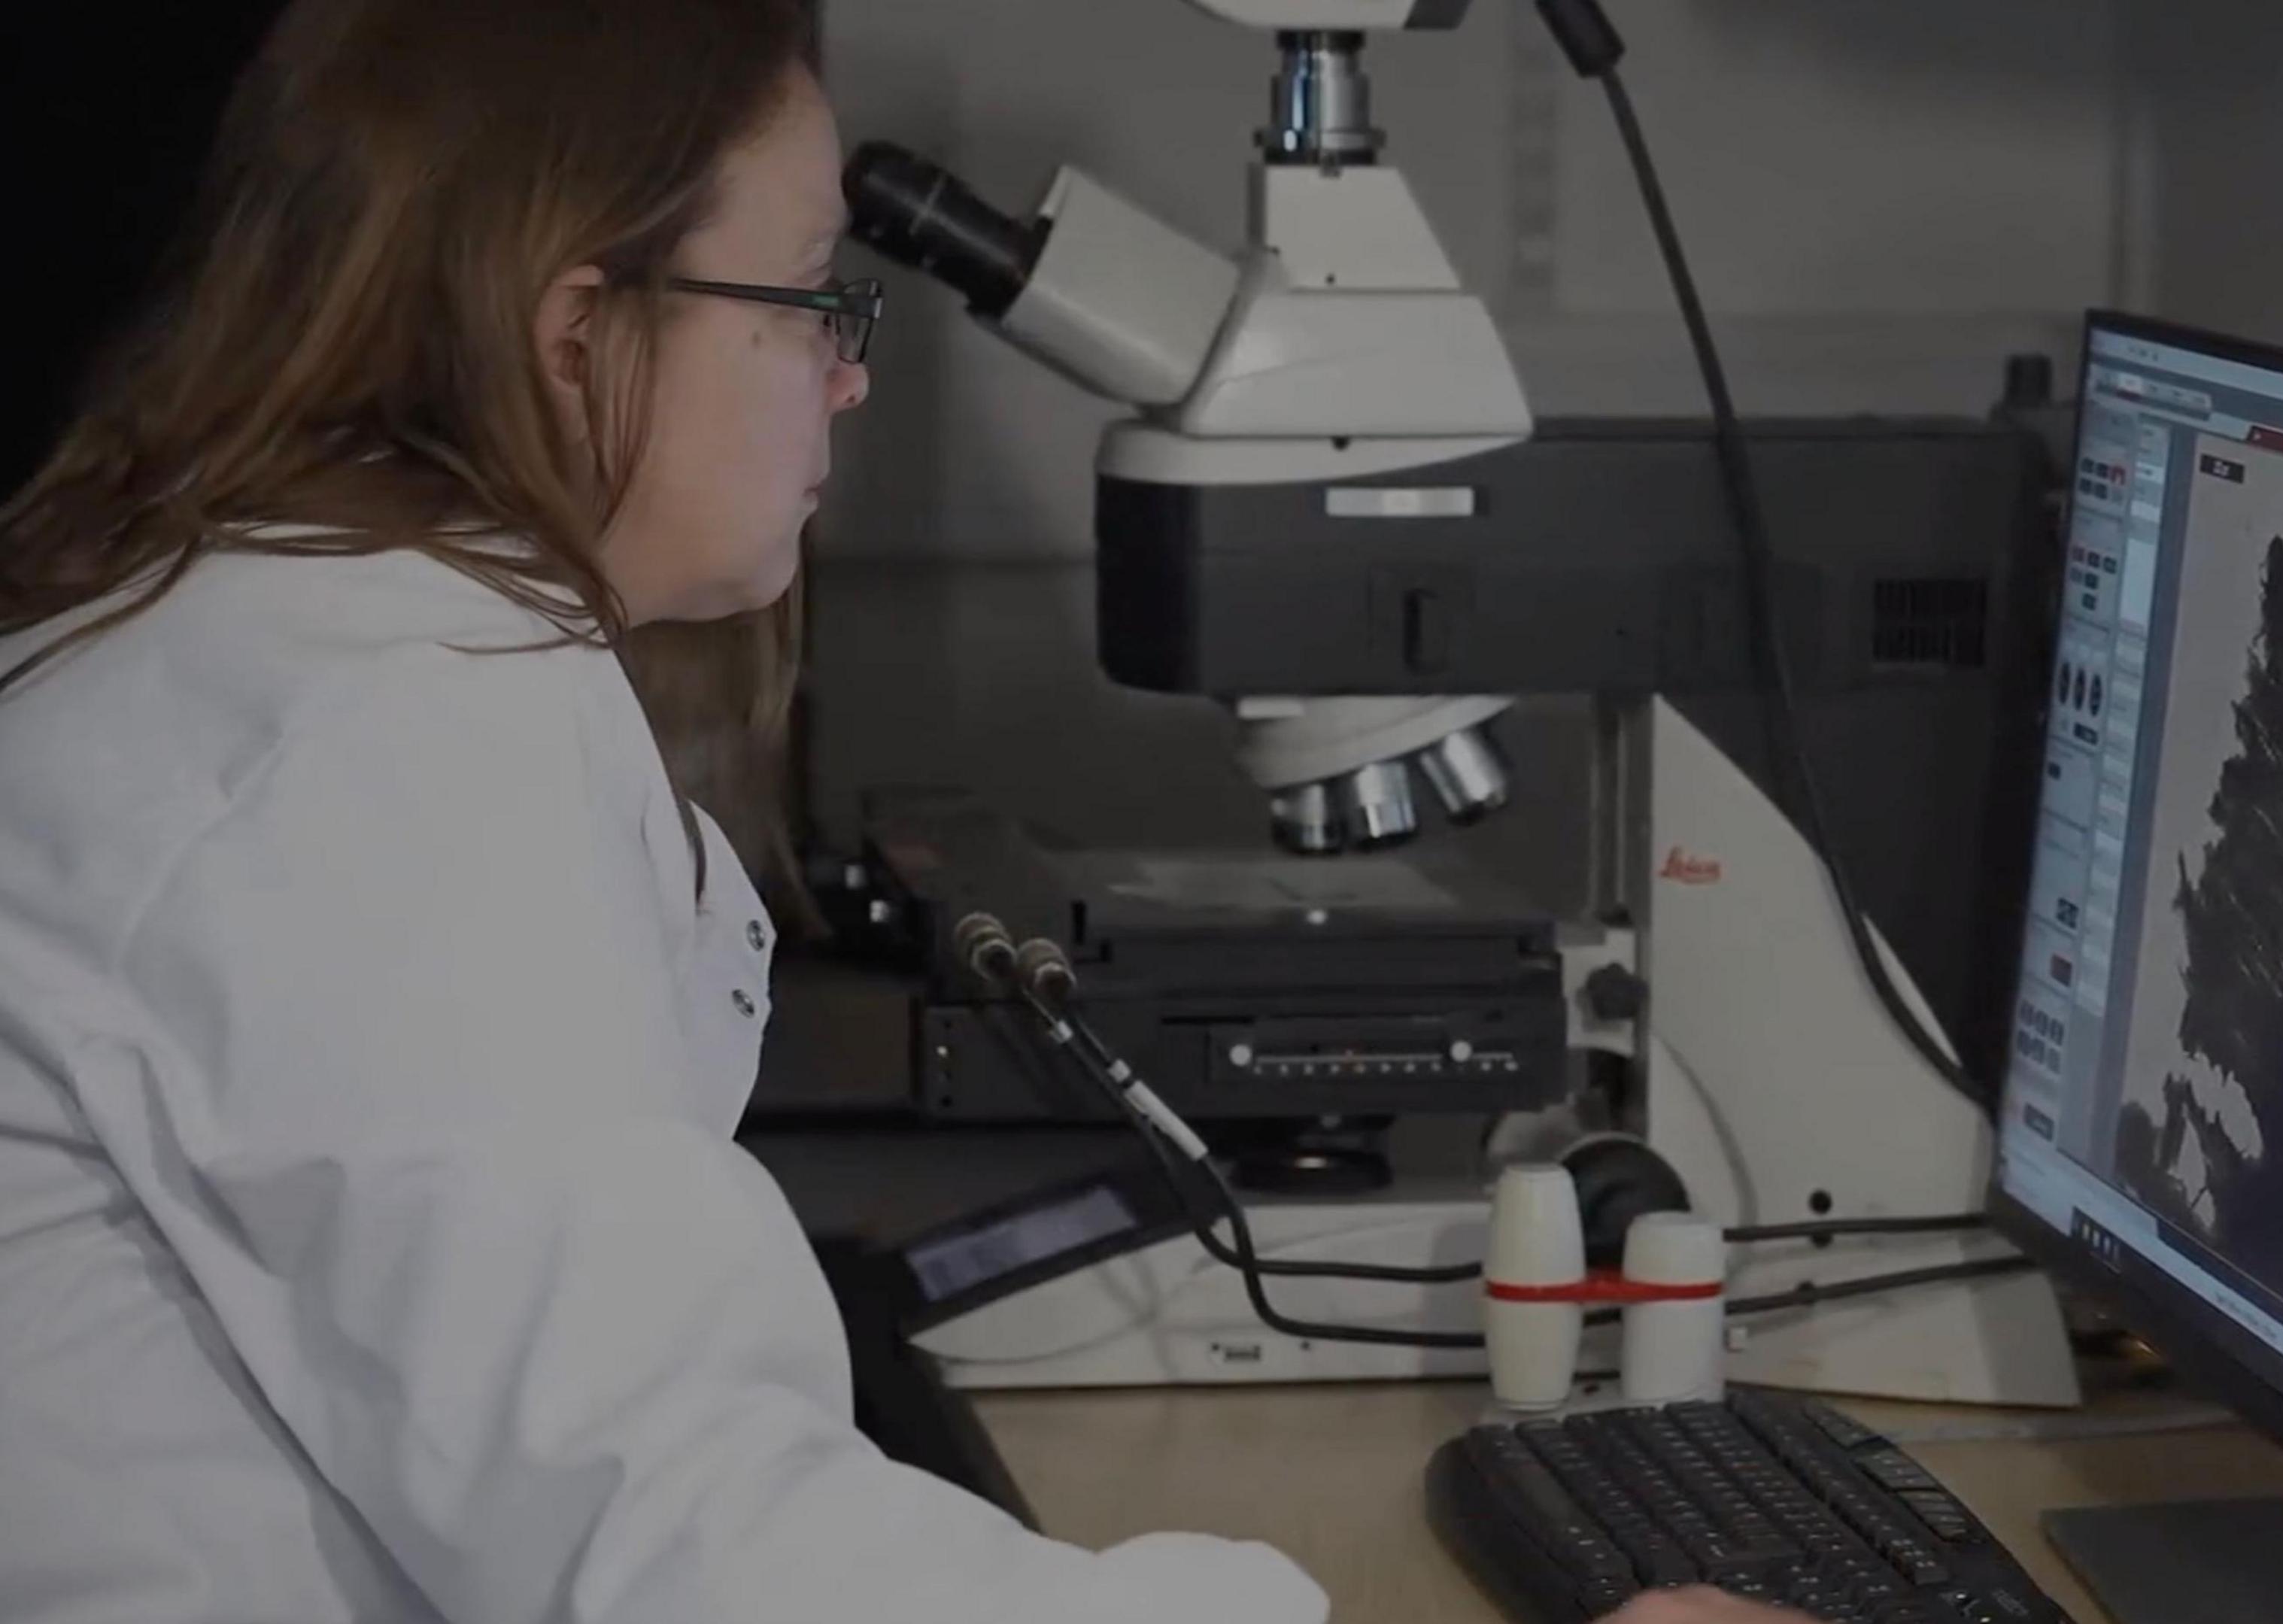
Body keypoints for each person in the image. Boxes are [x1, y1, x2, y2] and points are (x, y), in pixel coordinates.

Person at [0, 1, 1822, 1619]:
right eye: (810, 297)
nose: (852, 371)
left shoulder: (272, 632)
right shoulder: (386, 730)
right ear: (577, 337)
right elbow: (687, 1551)